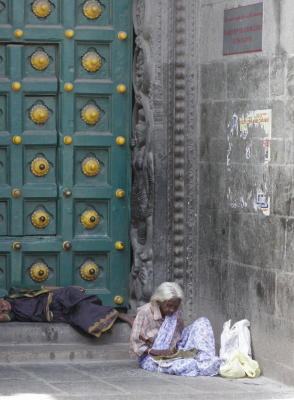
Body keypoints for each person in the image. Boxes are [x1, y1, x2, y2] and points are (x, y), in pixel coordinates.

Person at [130, 281, 222, 376]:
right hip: (152, 357)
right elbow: (135, 345)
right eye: (169, 306)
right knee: (187, 365)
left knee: (203, 322)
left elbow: (179, 335)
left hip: (174, 350)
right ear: (159, 302)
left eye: (175, 307)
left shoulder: (175, 312)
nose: (172, 310)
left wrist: (177, 351)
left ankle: (206, 361)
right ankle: (200, 365)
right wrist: (155, 351)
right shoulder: (145, 312)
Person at [0, 286, 133, 338]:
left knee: (78, 301)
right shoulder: (12, 314)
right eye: (1, 310)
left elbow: (44, 289)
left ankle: (118, 316)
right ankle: (120, 316)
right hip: (54, 313)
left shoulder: (15, 294)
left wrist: (69, 287)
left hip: (57, 297)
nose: (4, 308)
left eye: (1, 305)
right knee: (81, 314)